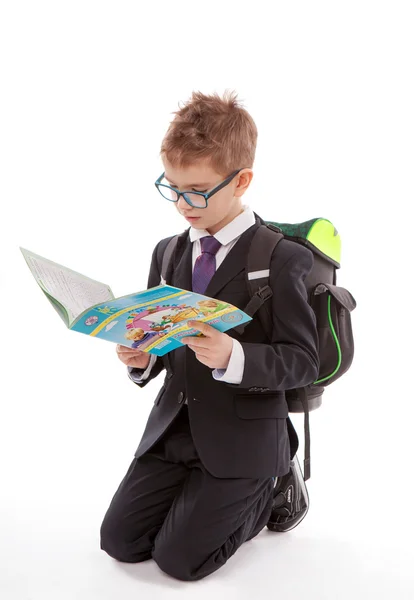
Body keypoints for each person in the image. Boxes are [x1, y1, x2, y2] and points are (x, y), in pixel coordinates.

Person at [99, 90, 319, 581]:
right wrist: (142, 359)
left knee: (181, 562)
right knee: (121, 543)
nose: (182, 204)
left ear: (241, 180)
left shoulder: (281, 259)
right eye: (172, 188)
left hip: (244, 435)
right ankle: (201, 495)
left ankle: (275, 483)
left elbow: (305, 360)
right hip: (176, 429)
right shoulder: (168, 251)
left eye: (196, 190)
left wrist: (233, 354)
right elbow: (163, 334)